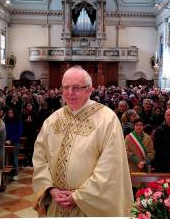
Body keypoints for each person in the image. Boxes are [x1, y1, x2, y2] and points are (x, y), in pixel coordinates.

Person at [32, 66, 133, 217]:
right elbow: (40, 159)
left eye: (76, 88)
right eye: (65, 87)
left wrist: (78, 196)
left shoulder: (107, 119)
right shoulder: (52, 121)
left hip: (90, 208)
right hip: (57, 204)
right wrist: (50, 189)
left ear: (89, 90)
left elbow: (110, 167)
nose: (69, 93)